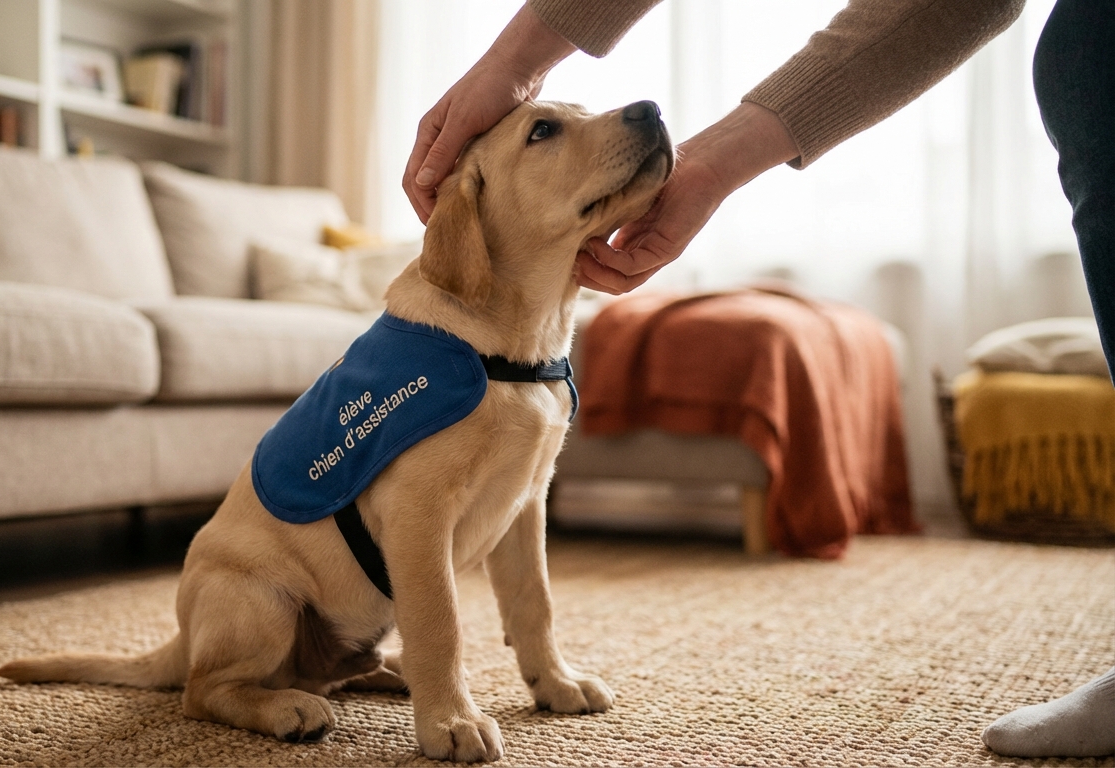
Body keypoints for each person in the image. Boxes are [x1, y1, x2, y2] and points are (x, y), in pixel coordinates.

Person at [403, 0, 1115, 758]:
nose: (635, 114)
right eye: (545, 131)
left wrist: (518, 60)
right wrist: (517, 64)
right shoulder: (429, 353)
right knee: (1088, 59)